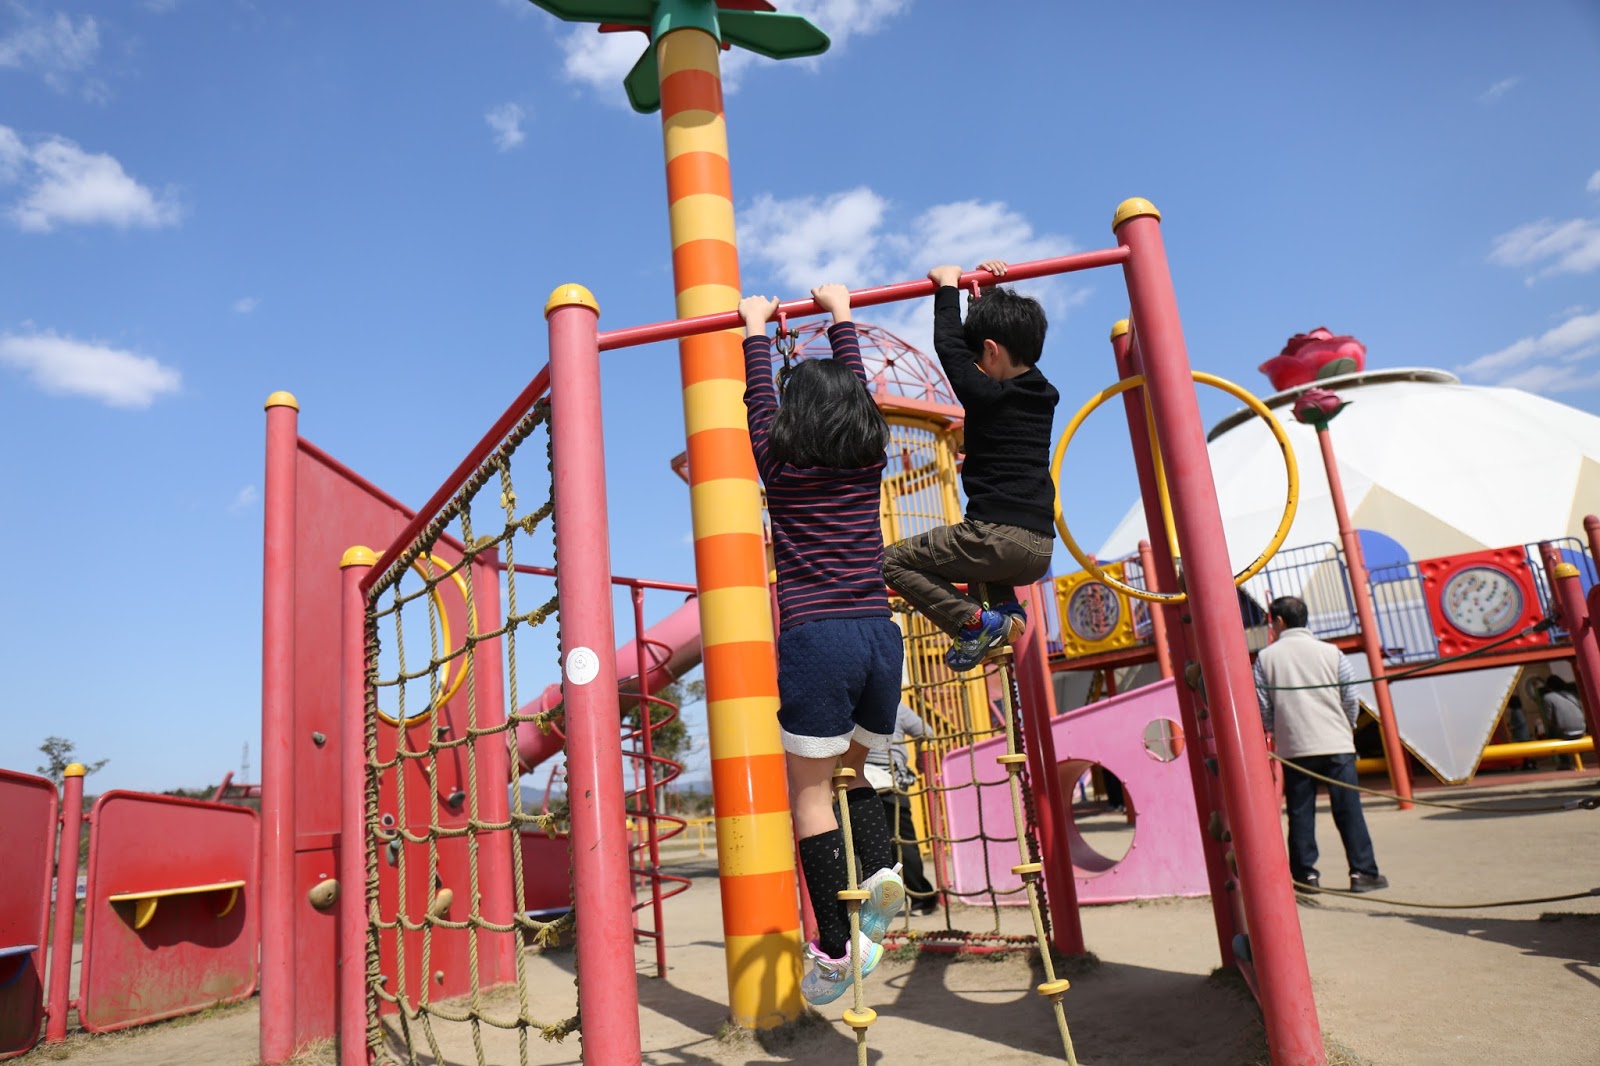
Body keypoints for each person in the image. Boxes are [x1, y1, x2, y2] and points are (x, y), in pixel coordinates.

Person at [740, 285, 906, 1006]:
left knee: (807, 796)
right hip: (880, 633)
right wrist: (841, 318)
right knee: (864, 768)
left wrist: (752, 330)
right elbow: (859, 392)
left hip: (816, 639)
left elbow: (757, 403)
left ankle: (836, 949)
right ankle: (880, 870)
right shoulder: (870, 458)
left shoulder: (778, 469)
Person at [882, 261, 1059, 672]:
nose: (974, 365)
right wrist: (983, 290)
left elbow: (950, 345)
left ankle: (973, 621)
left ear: (991, 352)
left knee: (891, 561)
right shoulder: (1042, 391)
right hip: (1039, 548)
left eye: (979, 357)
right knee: (984, 566)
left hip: (995, 538)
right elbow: (999, 333)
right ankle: (1009, 617)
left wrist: (946, 288)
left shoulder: (986, 393)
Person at [1253, 596, 1388, 894]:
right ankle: (1363, 872)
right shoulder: (1332, 652)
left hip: (1295, 745)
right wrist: (1347, 726)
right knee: (1349, 809)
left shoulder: (1265, 658)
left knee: (1301, 812)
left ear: (1279, 621)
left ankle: (1305, 875)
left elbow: (1263, 705)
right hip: (1335, 740)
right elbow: (1350, 696)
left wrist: (1279, 730)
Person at [862, 704, 939, 915]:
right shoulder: (895, 707)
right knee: (904, 843)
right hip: (891, 782)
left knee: (866, 846)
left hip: (856, 782)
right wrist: (923, 760)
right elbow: (927, 732)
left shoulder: (847, 705)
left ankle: (871, 901)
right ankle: (921, 897)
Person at [1540, 675, 1588, 770]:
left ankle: (1564, 762)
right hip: (1582, 729)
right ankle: (1578, 760)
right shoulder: (1572, 696)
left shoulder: (1548, 697)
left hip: (1564, 732)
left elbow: (1549, 718)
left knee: (1552, 733)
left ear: (1549, 686)